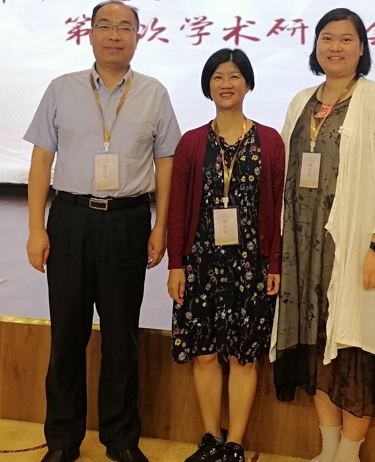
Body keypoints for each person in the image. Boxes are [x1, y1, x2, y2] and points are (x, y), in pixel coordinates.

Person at [25, 0, 182, 462]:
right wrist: (36, 228)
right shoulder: (61, 88)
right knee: (66, 336)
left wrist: (161, 226)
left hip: (127, 222)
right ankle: (62, 441)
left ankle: (121, 440)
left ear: (138, 37)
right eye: (105, 26)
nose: (115, 35)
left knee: (121, 337)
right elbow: (41, 161)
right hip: (70, 219)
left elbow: (166, 163)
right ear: (90, 34)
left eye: (125, 27)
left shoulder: (154, 93)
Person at [271, 8, 375, 462]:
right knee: (315, 343)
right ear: (315, 45)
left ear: (362, 47)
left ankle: (349, 453)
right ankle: (327, 447)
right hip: (302, 245)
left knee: (355, 342)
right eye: (327, 38)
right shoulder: (301, 101)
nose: (335, 47)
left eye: (346, 39)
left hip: (352, 245)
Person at [166, 48, 285, 462]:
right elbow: (178, 210)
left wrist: (274, 262)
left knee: (242, 356)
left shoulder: (269, 140)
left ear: (248, 83)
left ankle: (234, 444)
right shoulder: (191, 142)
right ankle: (210, 438)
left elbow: (277, 207)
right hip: (200, 262)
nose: (226, 84)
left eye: (235, 76)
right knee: (204, 354)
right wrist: (176, 264)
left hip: (251, 264)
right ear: (207, 85)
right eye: (218, 76)